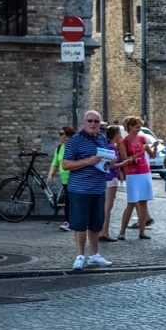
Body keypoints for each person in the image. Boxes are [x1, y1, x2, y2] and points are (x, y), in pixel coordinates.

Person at [61, 110, 113, 270]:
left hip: (98, 188)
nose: (92, 124)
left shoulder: (102, 139)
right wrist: (88, 161)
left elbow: (104, 161)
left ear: (100, 124)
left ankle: (94, 255)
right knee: (80, 224)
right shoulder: (75, 140)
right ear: (84, 123)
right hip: (79, 189)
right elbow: (66, 164)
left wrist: (108, 163)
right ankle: (79, 256)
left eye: (96, 121)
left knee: (96, 224)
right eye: (89, 121)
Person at [117, 116, 158, 240]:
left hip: (144, 171)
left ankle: (142, 231)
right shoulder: (123, 141)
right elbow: (125, 160)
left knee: (143, 202)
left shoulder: (142, 138)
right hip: (132, 174)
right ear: (130, 127)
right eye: (137, 127)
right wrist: (140, 153)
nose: (138, 129)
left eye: (139, 127)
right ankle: (122, 231)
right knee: (131, 202)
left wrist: (155, 146)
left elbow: (152, 155)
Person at [99, 125, 128, 242]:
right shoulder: (112, 147)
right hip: (111, 178)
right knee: (108, 206)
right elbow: (110, 165)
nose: (121, 136)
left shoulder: (109, 146)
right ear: (115, 135)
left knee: (106, 206)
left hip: (109, 178)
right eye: (120, 134)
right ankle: (104, 232)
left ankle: (103, 231)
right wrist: (124, 163)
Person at [47, 126, 75, 231]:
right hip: (64, 180)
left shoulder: (73, 148)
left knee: (70, 201)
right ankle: (69, 221)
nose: (59, 136)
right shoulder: (59, 148)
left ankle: (68, 222)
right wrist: (50, 174)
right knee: (68, 201)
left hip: (74, 178)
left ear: (68, 136)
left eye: (61, 134)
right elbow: (55, 163)